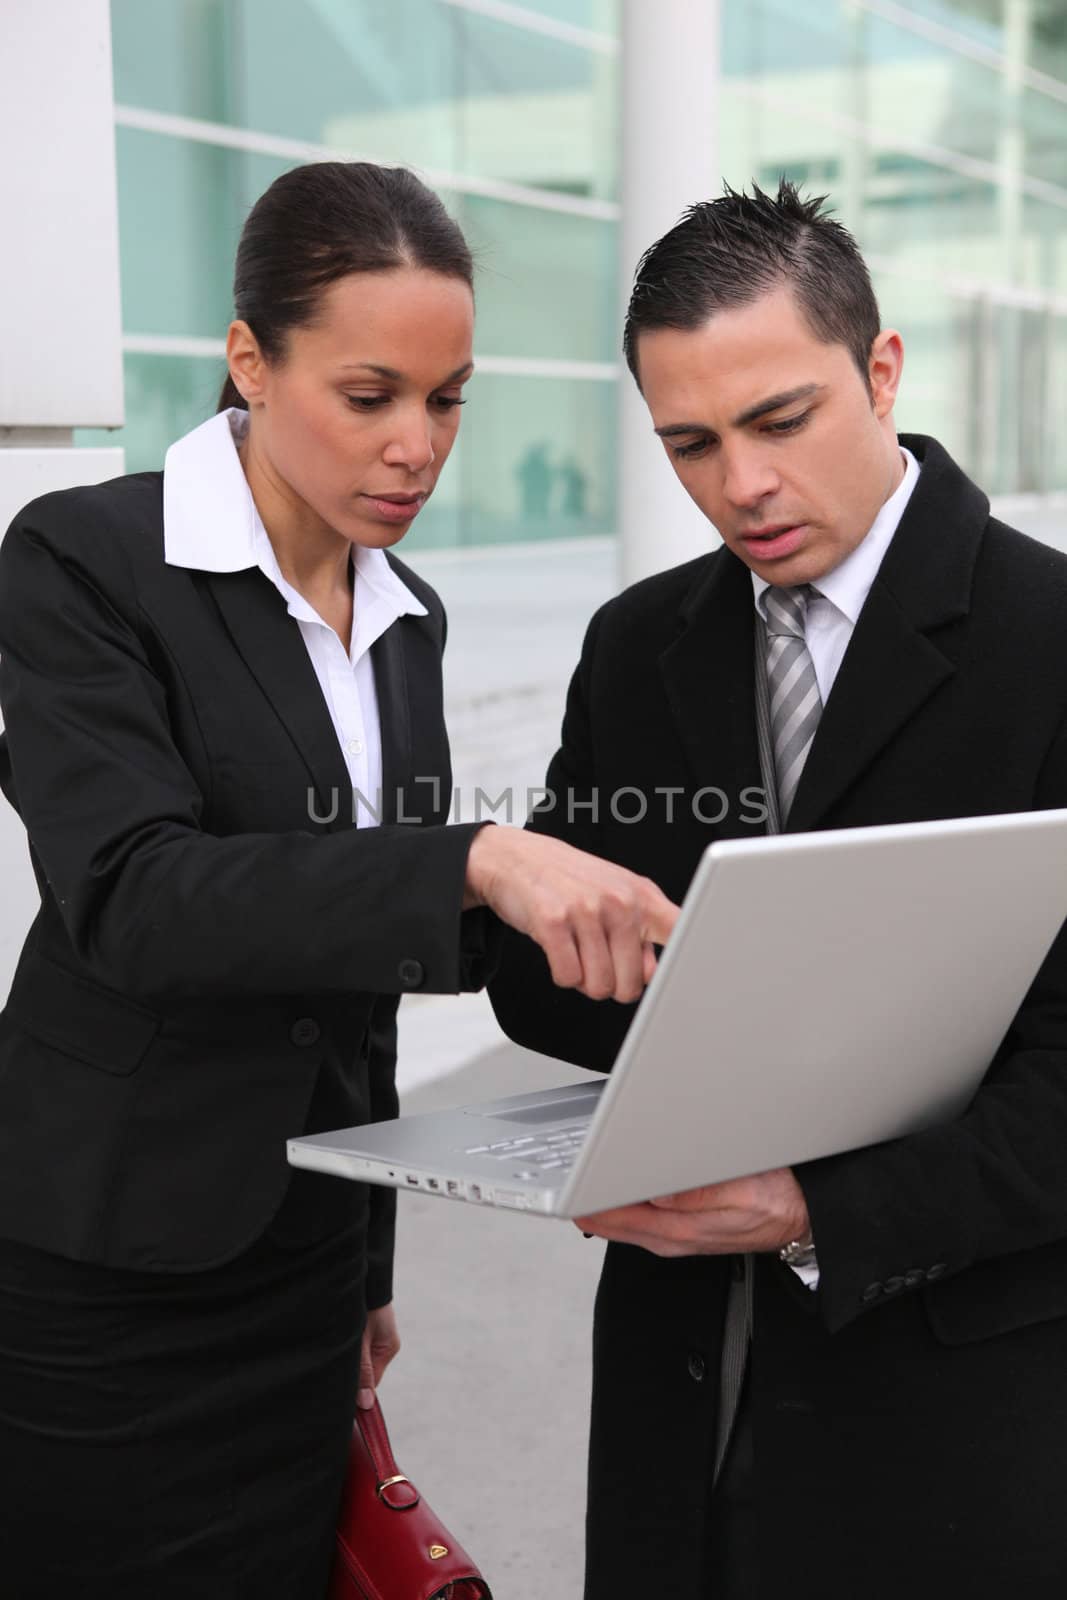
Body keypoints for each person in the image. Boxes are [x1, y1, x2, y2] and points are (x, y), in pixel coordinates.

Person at [0, 160, 676, 1597]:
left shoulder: (407, 616)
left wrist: (369, 1263)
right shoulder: (86, 562)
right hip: (112, 1258)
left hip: (304, 1254)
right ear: (249, 361)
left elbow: (361, 985)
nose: (416, 446)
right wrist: (476, 861)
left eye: (447, 400)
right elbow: (134, 893)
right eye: (369, 397)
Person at [488, 180, 1067, 1599]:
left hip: (955, 1413)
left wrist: (819, 1206)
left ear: (880, 370)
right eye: (689, 443)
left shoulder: (1052, 644)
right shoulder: (640, 645)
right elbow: (539, 986)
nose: (738, 484)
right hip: (675, 1395)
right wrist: (573, 933)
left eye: (779, 422)